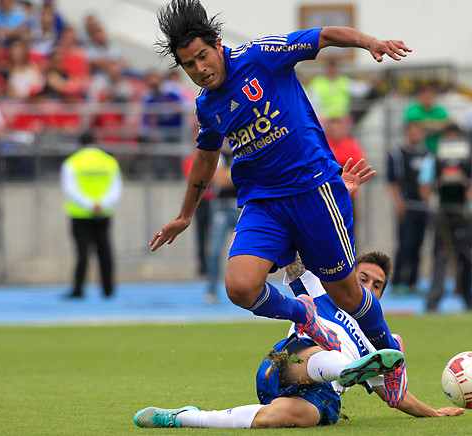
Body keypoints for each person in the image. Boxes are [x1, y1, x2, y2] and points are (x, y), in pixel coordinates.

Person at [149, 0, 412, 407]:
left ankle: (388, 358)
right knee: (239, 287)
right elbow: (206, 158)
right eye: (189, 65)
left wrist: (369, 42)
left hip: (314, 191)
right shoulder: (207, 106)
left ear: (218, 45)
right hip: (263, 204)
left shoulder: (262, 56)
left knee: (343, 293)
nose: (199, 69)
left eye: (202, 56)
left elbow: (324, 36)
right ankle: (304, 317)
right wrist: (185, 215)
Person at [134, 251, 464, 429]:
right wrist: (337, 199)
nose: (368, 286)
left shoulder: (380, 338)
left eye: (376, 284)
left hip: (322, 396)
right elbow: (294, 248)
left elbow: (394, 396)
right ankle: (342, 366)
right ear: (347, 274)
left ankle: (183, 417)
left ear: (382, 293)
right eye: (361, 277)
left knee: (281, 419)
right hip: (289, 363)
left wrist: (434, 413)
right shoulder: (321, 287)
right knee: (324, 349)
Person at [418, 124, 472, 312]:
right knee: (440, 256)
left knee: (466, 256)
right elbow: (424, 185)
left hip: (467, 213)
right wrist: (433, 201)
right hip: (443, 214)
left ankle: (469, 298)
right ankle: (434, 299)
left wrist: (471, 195)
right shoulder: (434, 158)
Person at [60, 131, 123, 299]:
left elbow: (70, 189)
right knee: (105, 252)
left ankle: (78, 289)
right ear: (96, 140)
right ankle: (108, 289)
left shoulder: (72, 162)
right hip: (103, 212)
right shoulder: (109, 161)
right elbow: (116, 188)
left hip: (80, 214)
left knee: (82, 254)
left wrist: (89, 205)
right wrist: (101, 204)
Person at [386, 120, 428, 295]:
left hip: (423, 207)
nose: (415, 134)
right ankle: (396, 282)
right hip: (406, 206)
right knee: (405, 245)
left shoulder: (427, 155)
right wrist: (398, 203)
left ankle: (413, 282)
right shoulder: (397, 154)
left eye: (418, 131)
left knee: (418, 246)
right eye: (412, 131)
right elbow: (392, 182)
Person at [204, 146, 239, 304]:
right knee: (214, 251)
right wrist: (244, 174)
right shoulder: (220, 154)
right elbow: (221, 181)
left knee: (250, 250)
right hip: (222, 207)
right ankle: (212, 289)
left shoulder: (246, 149)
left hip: (243, 208)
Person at [403, 84, 450, 153]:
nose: (428, 97)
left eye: (431, 94)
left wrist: (425, 124)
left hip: (437, 149)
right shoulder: (412, 109)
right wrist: (439, 125)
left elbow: (450, 124)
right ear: (420, 96)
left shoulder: (440, 110)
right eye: (425, 94)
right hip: (417, 150)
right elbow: (414, 126)